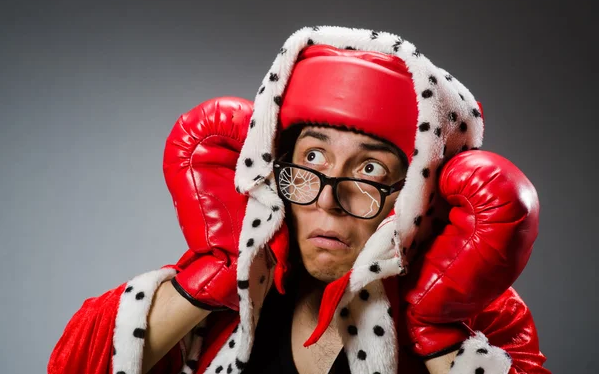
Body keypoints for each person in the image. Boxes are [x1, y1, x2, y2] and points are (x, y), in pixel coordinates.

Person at [48, 26, 550, 374]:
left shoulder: (473, 309)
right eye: (312, 159)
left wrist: (437, 329)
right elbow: (73, 365)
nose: (328, 201)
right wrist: (218, 267)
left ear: (417, 196)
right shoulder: (247, 284)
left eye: (370, 169)